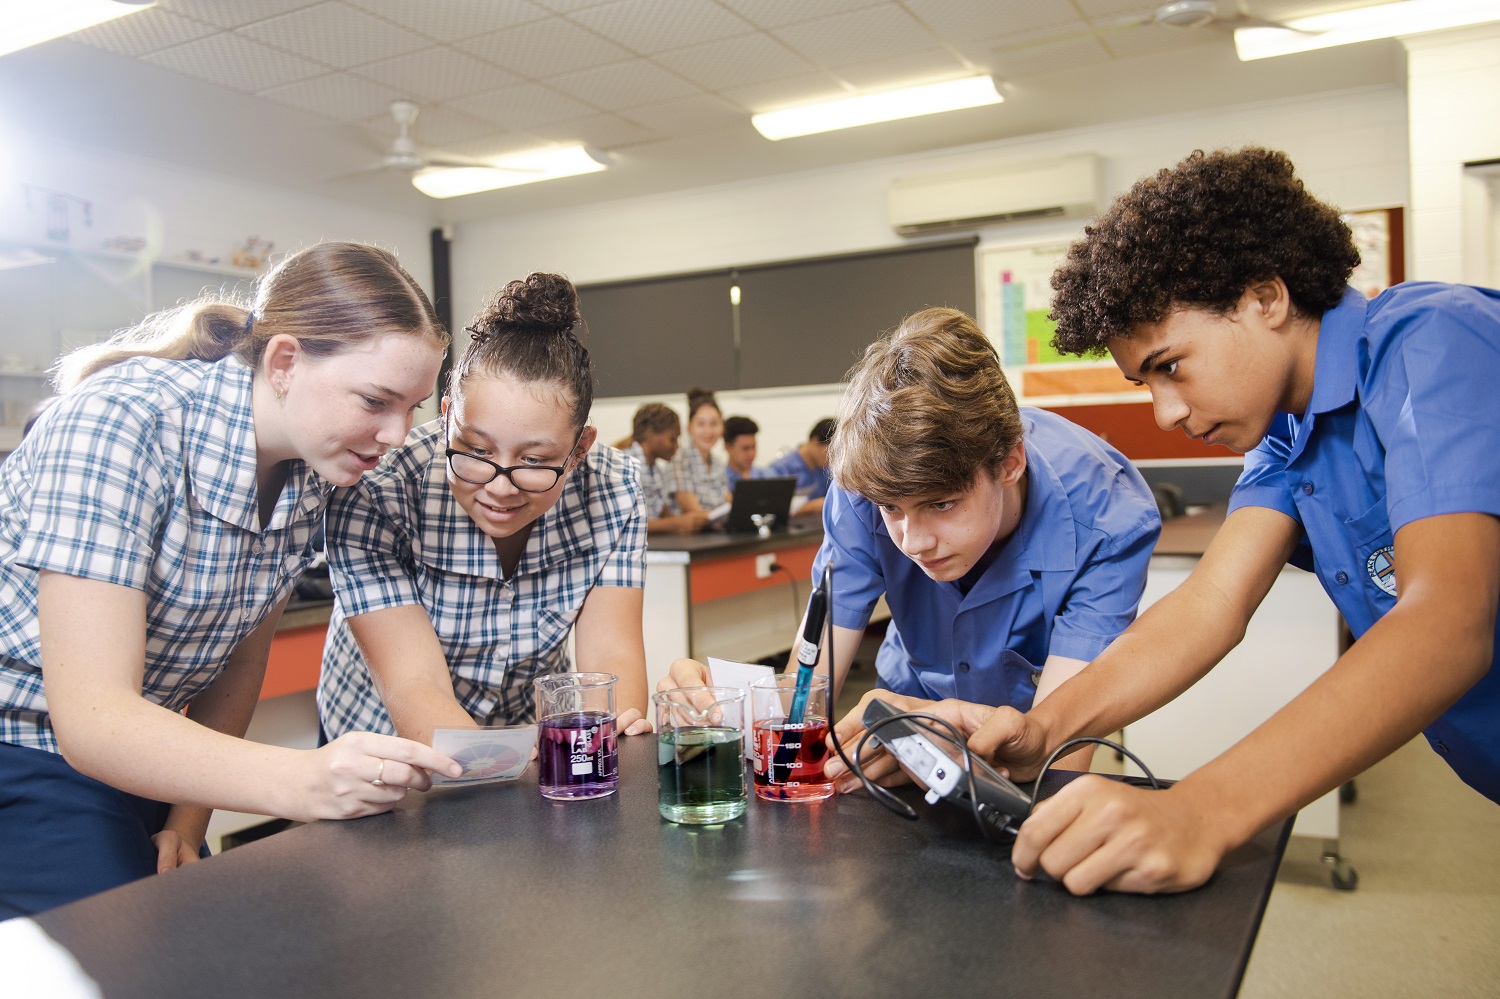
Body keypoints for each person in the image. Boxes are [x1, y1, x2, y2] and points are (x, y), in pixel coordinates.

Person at [901, 146, 1500, 896]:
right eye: (1144, 382)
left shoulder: (1433, 341)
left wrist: (1202, 810)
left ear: (1265, 298)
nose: (1167, 411)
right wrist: (1047, 728)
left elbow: (1448, 621)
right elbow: (1212, 604)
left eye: (1172, 366)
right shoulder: (1287, 435)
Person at [0, 241, 463, 919]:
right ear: (283, 362)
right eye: (375, 400)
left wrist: (189, 821)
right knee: (127, 948)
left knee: (202, 931)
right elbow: (92, 717)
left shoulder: (312, 467)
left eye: (414, 407)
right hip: (28, 746)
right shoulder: (120, 423)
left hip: (136, 748)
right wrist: (306, 779)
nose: (396, 434)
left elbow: (239, 657)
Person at [663, 307, 1161, 773]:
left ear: (1009, 463)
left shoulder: (1108, 515)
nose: (914, 543)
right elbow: (803, 699)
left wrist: (934, 739)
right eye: (892, 512)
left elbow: (1054, 758)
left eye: (942, 504)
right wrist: (724, 707)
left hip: (1022, 739)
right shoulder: (865, 483)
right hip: (903, 714)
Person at [318, 273, 652, 743]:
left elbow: (611, 657)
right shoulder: (380, 488)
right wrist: (539, 763)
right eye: (475, 451)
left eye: (535, 460)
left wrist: (596, 744)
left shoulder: (613, 488)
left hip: (525, 733)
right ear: (448, 415)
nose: (500, 487)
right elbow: (416, 687)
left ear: (579, 450)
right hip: (385, 743)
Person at [625, 402, 709, 534]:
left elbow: (659, 515)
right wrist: (677, 523)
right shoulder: (626, 467)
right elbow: (628, 524)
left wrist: (692, 521)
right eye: (672, 439)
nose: (677, 446)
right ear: (651, 435)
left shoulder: (656, 470)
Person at [671, 388, 731, 513]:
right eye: (701, 424)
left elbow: (729, 502)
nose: (708, 431)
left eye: (714, 424)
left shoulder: (718, 463)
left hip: (719, 530)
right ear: (689, 427)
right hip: (691, 532)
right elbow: (693, 511)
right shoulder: (679, 460)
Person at [765, 417, 835, 518]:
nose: (833, 459)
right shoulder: (781, 469)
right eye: (831, 453)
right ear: (815, 441)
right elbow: (773, 510)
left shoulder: (826, 469)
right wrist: (807, 508)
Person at [722, 415, 761, 490]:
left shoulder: (766, 476)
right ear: (727, 447)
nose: (751, 453)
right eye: (745, 448)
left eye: (753, 447)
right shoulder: (719, 482)